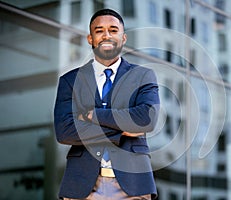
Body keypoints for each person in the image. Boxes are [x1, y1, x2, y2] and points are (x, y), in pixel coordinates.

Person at [54, 8, 160, 200]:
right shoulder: (70, 81)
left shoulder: (143, 76)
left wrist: (92, 116)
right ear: (90, 38)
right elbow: (64, 131)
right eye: (99, 30)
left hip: (133, 185)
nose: (106, 35)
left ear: (123, 37)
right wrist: (122, 129)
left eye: (113, 30)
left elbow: (146, 119)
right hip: (83, 185)